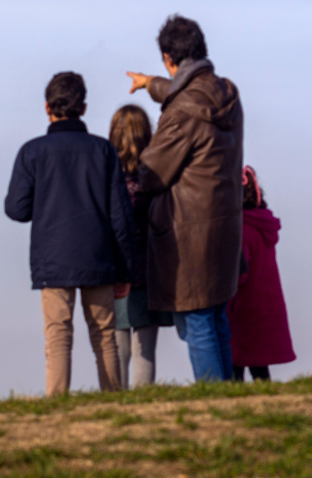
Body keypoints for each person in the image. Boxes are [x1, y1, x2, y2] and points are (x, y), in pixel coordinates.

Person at [126, 15, 243, 381]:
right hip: (225, 225)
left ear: (168, 59)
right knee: (216, 315)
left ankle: (213, 403)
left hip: (189, 231)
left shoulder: (180, 115)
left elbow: (152, 172)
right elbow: (187, 94)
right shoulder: (227, 94)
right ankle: (228, 398)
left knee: (197, 322)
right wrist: (151, 84)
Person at [5, 71, 135, 395]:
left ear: (47, 107)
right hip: (99, 256)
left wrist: (48, 202)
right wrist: (126, 268)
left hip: (53, 257)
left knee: (58, 334)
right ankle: (113, 400)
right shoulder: (103, 151)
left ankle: (57, 404)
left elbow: (16, 209)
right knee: (105, 335)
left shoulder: (31, 152)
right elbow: (121, 216)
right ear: (85, 108)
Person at [108, 105, 174, 389]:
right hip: (151, 268)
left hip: (116, 267)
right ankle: (144, 405)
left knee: (118, 347)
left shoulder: (106, 176)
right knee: (145, 347)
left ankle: (118, 407)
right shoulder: (157, 175)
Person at [228, 166, 296, 381]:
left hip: (243, 305)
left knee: (235, 360)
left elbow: (240, 272)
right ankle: (266, 396)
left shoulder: (241, 228)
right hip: (265, 302)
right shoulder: (262, 225)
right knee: (259, 363)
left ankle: (233, 400)